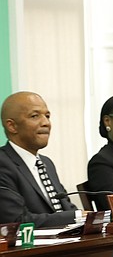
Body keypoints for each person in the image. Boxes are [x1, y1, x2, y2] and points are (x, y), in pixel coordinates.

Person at [0, 91, 81, 227]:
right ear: (12, 126)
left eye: (47, 116)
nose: (46, 123)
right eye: (35, 116)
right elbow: (17, 220)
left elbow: (66, 208)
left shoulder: (46, 163)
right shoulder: (3, 163)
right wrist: (76, 216)